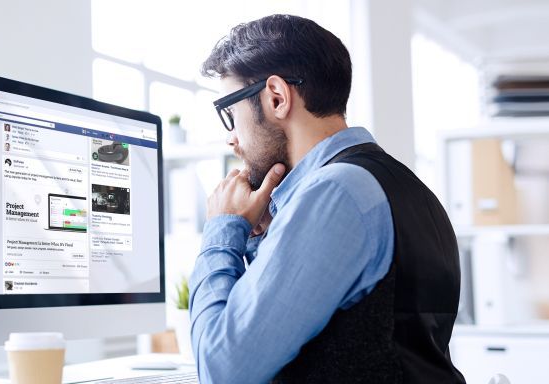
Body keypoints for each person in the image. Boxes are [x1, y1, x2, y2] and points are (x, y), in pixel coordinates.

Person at [188, 14, 465, 384]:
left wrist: (222, 227)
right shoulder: (394, 183)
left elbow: (223, 371)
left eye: (231, 114)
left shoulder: (335, 193)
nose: (231, 138)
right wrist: (259, 238)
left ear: (276, 97)